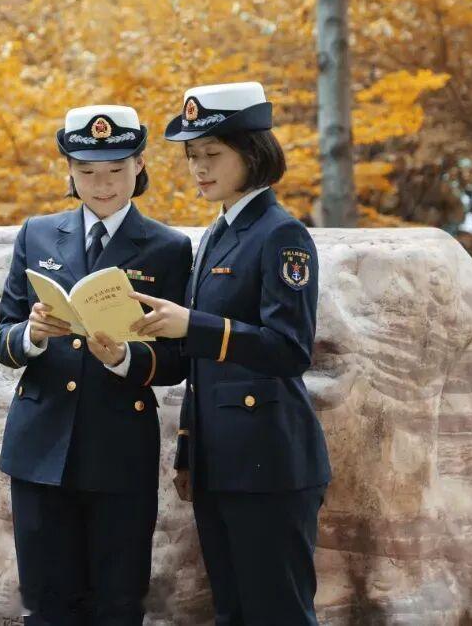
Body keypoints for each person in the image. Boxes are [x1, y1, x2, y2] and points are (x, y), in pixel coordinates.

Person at [129, 82, 332, 625]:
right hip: (221, 464)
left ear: (252, 152)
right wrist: (189, 453)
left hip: (269, 464)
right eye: (192, 156)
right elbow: (202, 373)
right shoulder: (219, 233)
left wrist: (192, 324)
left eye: (212, 154)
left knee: (278, 614)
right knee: (233, 614)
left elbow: (289, 349)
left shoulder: (282, 234)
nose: (198, 167)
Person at [0, 104, 193, 626]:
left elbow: (177, 359)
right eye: (86, 171)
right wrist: (32, 335)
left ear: (139, 165)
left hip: (118, 447)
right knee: (46, 605)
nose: (102, 185)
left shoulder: (169, 248)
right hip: (40, 445)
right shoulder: (37, 233)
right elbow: (2, 338)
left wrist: (126, 358)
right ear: (69, 170)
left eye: (116, 170)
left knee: (117, 603)